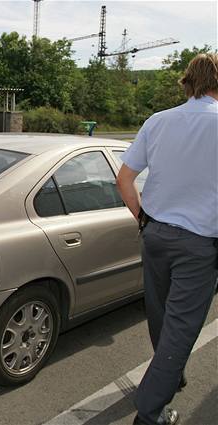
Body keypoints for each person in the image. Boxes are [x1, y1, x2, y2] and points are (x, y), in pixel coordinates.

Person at [117, 53, 218, 425]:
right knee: (182, 329)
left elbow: (124, 180)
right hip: (198, 244)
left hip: (155, 234)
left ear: (187, 83)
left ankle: (169, 376)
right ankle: (149, 414)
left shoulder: (158, 121)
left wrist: (144, 219)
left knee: (160, 316)